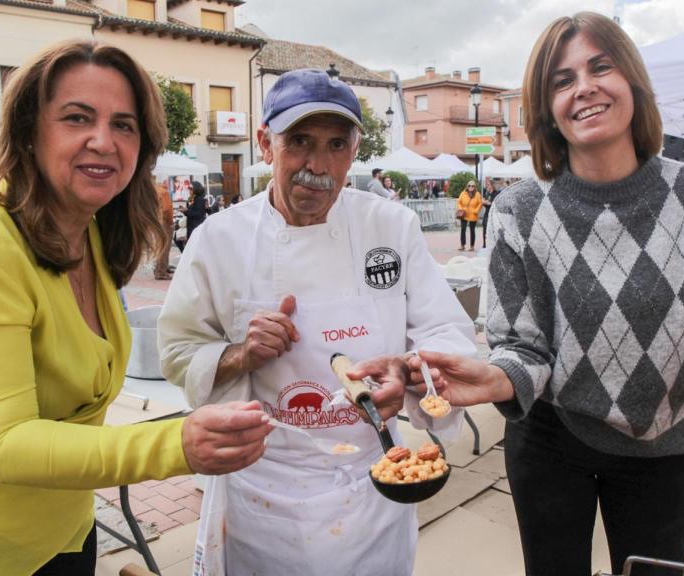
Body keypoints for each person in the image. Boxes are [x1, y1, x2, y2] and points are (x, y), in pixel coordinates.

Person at [0, 40, 271, 576]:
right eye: (77, 118)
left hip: (64, 533)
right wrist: (176, 442)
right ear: (30, 131)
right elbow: (3, 443)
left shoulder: (92, 231)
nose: (103, 141)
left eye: (124, 125)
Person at [407, 13, 684, 576]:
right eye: (562, 80)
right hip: (552, 440)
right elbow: (522, 345)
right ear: (546, 107)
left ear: (631, 80)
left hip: (666, 445)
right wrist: (495, 376)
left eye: (599, 67)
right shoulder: (518, 211)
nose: (583, 86)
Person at [157, 67, 476, 576]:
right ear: (266, 143)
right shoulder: (219, 239)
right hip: (262, 487)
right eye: (299, 141)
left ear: (354, 152)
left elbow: (445, 331)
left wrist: (409, 374)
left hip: (370, 485)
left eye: (335, 145)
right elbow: (175, 352)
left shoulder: (391, 226)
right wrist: (241, 353)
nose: (316, 165)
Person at [154, 179, 174, 280]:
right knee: (165, 247)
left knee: (160, 246)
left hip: (156, 220)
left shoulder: (154, 190)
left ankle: (159, 269)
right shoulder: (164, 192)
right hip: (164, 221)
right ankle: (161, 272)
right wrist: (171, 222)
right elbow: (167, 209)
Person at [456, 179, 483, 251]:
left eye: (473, 186)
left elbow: (480, 203)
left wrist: (476, 211)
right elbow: (459, 202)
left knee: (472, 230)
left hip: (473, 215)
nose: (471, 187)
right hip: (464, 214)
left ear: (475, 187)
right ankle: (462, 245)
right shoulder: (463, 193)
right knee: (463, 229)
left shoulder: (477, 194)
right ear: (467, 186)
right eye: (469, 186)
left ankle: (472, 246)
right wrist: (461, 208)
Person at [480, 178, 501, 248]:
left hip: (494, 215)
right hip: (487, 214)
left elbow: (497, 204)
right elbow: (486, 203)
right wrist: (484, 202)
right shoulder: (487, 193)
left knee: (493, 231)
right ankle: (484, 245)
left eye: (488, 185)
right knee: (485, 230)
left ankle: (493, 245)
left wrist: (489, 203)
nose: (487, 186)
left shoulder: (497, 193)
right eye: (487, 185)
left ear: (492, 185)